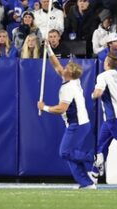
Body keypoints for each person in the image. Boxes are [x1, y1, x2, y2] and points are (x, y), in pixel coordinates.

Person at [38, 47, 97, 189]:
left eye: (67, 67)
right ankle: (87, 184)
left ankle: (92, 158)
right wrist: (49, 49)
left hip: (78, 124)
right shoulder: (73, 80)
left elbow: (61, 109)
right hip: (78, 123)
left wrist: (44, 107)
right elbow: (56, 65)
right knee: (71, 156)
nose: (63, 67)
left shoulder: (68, 88)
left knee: (65, 152)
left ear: (69, 73)